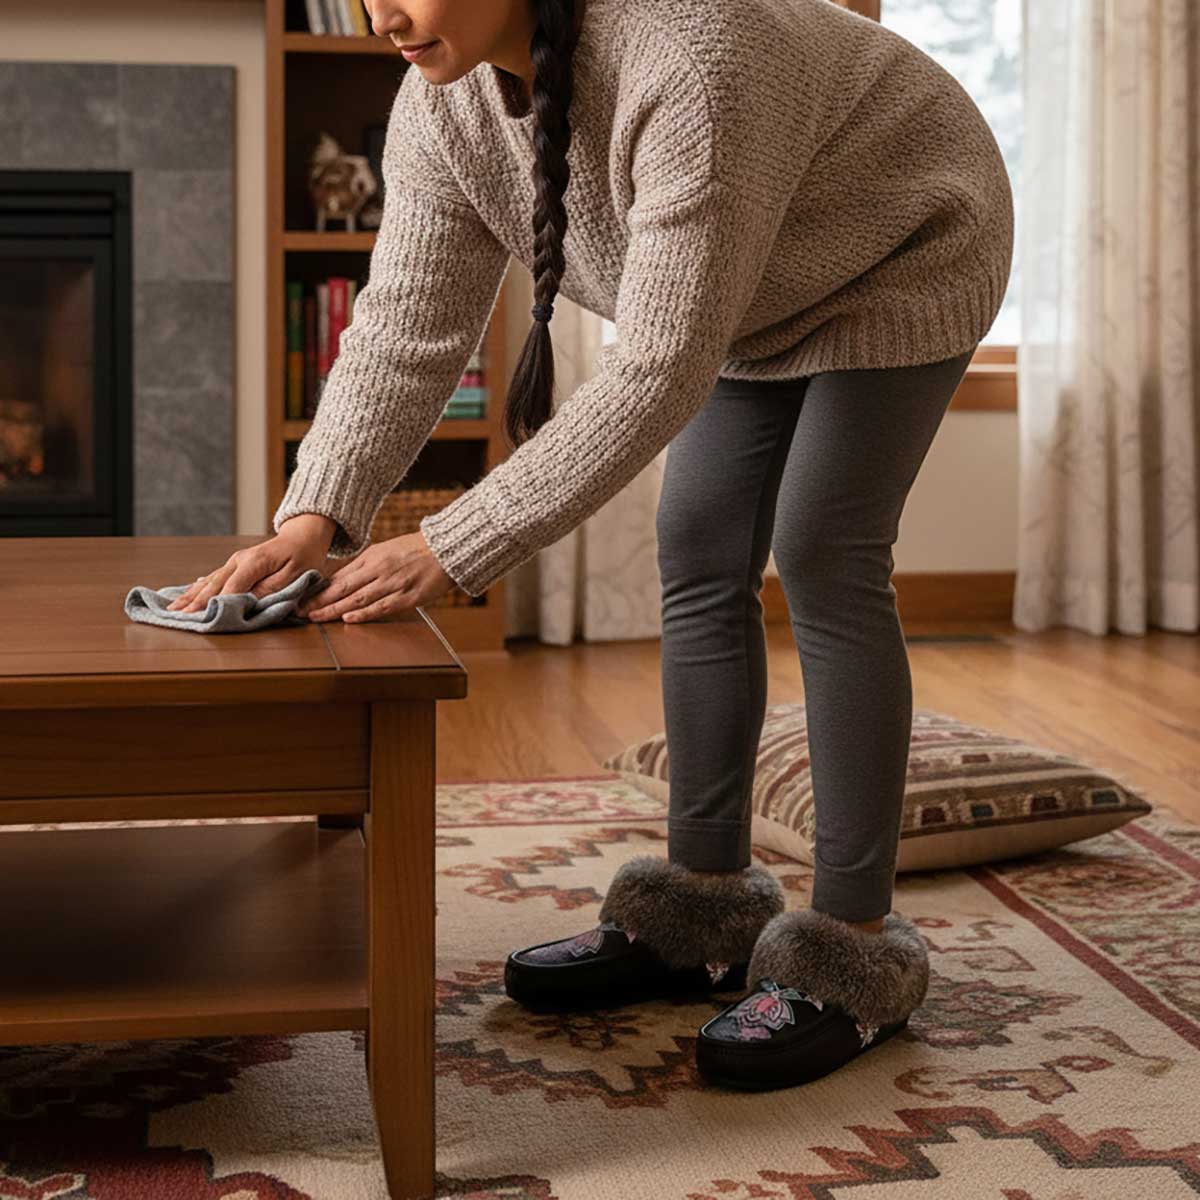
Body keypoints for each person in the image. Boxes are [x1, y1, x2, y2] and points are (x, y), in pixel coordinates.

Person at [171, 0, 1013, 1090]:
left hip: (902, 237)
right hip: (756, 280)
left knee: (822, 549)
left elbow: (656, 370)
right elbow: (406, 323)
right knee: (697, 543)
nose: (381, 13)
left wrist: (451, 545)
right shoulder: (442, 103)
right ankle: (700, 910)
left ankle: (852, 952)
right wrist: (314, 514)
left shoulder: (685, 66)